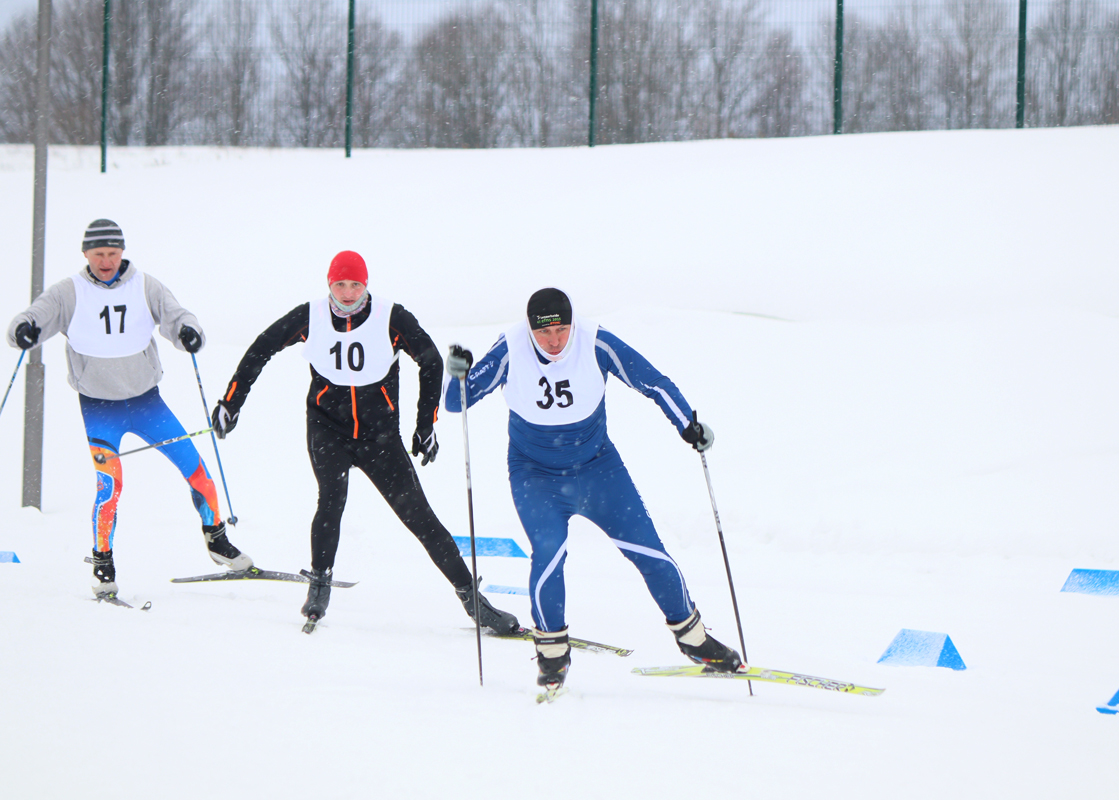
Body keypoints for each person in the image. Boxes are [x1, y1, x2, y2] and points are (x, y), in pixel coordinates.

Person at [443, 287, 743, 691]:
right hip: (536, 475)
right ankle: (552, 655)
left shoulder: (595, 340)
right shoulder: (510, 348)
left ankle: (694, 640)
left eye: (561, 330)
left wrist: (686, 423)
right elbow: (456, 403)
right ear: (530, 329)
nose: (553, 341)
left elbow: (651, 381)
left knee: (650, 552)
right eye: (544, 333)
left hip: (598, 469)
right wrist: (458, 373)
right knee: (548, 554)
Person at [209, 250, 519, 633]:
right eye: (340, 284)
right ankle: (319, 584)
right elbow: (262, 347)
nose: (348, 292)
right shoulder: (312, 315)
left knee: (419, 517)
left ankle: (474, 601)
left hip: (379, 436)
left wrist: (426, 426)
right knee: (331, 500)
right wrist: (232, 402)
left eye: (355, 284)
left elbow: (432, 360)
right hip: (328, 429)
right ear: (329, 285)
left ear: (366, 284)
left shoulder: (391, 316)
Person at [5, 219, 251, 600]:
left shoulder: (144, 285)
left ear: (123, 253)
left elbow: (176, 315)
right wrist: (25, 329)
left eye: (113, 254)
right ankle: (103, 564)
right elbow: (35, 315)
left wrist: (189, 332)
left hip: (146, 402)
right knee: (110, 487)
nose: (106, 261)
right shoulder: (69, 292)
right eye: (99, 254)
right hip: (100, 407)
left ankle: (216, 539)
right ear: (86, 254)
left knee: (197, 470)